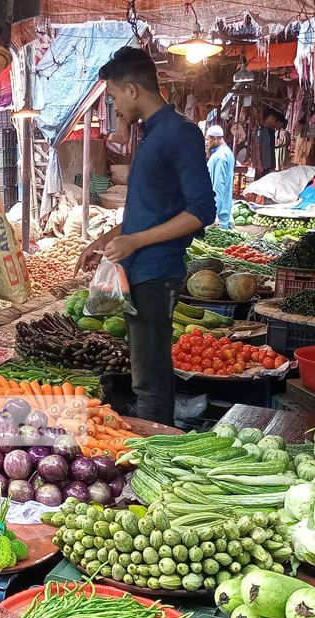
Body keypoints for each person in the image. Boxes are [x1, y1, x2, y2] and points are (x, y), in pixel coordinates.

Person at [75, 47, 216, 422]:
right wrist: (105, 239)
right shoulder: (152, 135)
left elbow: (202, 211)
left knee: (150, 382)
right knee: (145, 374)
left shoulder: (179, 133)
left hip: (157, 273)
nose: (115, 106)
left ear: (133, 90)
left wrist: (134, 242)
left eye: (114, 96)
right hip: (138, 272)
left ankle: (156, 466)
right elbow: (151, 210)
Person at [205, 125, 235, 229]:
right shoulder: (227, 152)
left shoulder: (220, 157)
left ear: (215, 139)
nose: (206, 142)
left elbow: (218, 185)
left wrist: (214, 212)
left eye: (207, 139)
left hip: (218, 213)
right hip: (224, 207)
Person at [254, 111, 285, 179]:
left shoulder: (270, 131)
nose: (274, 121)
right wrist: (259, 163)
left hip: (268, 164)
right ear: (270, 117)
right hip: (262, 164)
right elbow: (258, 147)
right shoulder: (260, 130)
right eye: (274, 119)